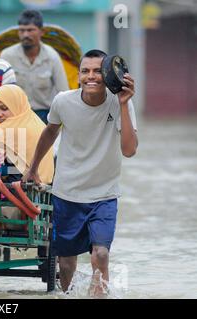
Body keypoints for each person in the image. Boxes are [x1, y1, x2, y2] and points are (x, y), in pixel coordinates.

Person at [23, 49, 138, 297]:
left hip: (104, 194)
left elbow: (129, 150)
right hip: (68, 193)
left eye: (98, 71)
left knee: (102, 254)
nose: (91, 76)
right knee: (65, 264)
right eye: (85, 71)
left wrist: (125, 104)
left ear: (109, 75)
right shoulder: (63, 101)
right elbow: (50, 133)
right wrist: (32, 168)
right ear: (78, 76)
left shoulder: (119, 102)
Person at [0, 9, 69, 124]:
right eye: (22, 30)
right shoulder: (7, 56)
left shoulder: (52, 56)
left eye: (30, 30)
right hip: (16, 116)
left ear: (41, 32)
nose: (26, 34)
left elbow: (63, 92)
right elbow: (1, 92)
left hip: (45, 117)